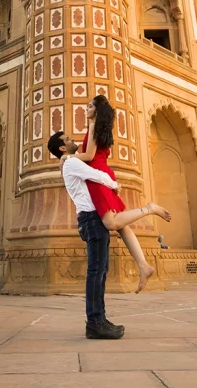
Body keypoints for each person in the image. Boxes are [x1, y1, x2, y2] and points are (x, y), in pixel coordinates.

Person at [72, 95, 172, 294]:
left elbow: (89, 156)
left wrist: (69, 157)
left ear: (97, 111)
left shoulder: (93, 127)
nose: (86, 108)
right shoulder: (103, 130)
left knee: (111, 223)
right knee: (123, 227)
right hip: (103, 173)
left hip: (97, 177)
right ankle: (143, 265)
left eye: (90, 106)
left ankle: (149, 208)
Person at [48, 131, 124, 340]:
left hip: (91, 219)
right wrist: (115, 185)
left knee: (100, 271)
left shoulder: (70, 161)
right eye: (68, 140)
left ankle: (99, 319)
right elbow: (96, 175)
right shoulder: (71, 163)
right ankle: (94, 322)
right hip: (91, 219)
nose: (73, 141)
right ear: (62, 148)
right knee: (96, 272)